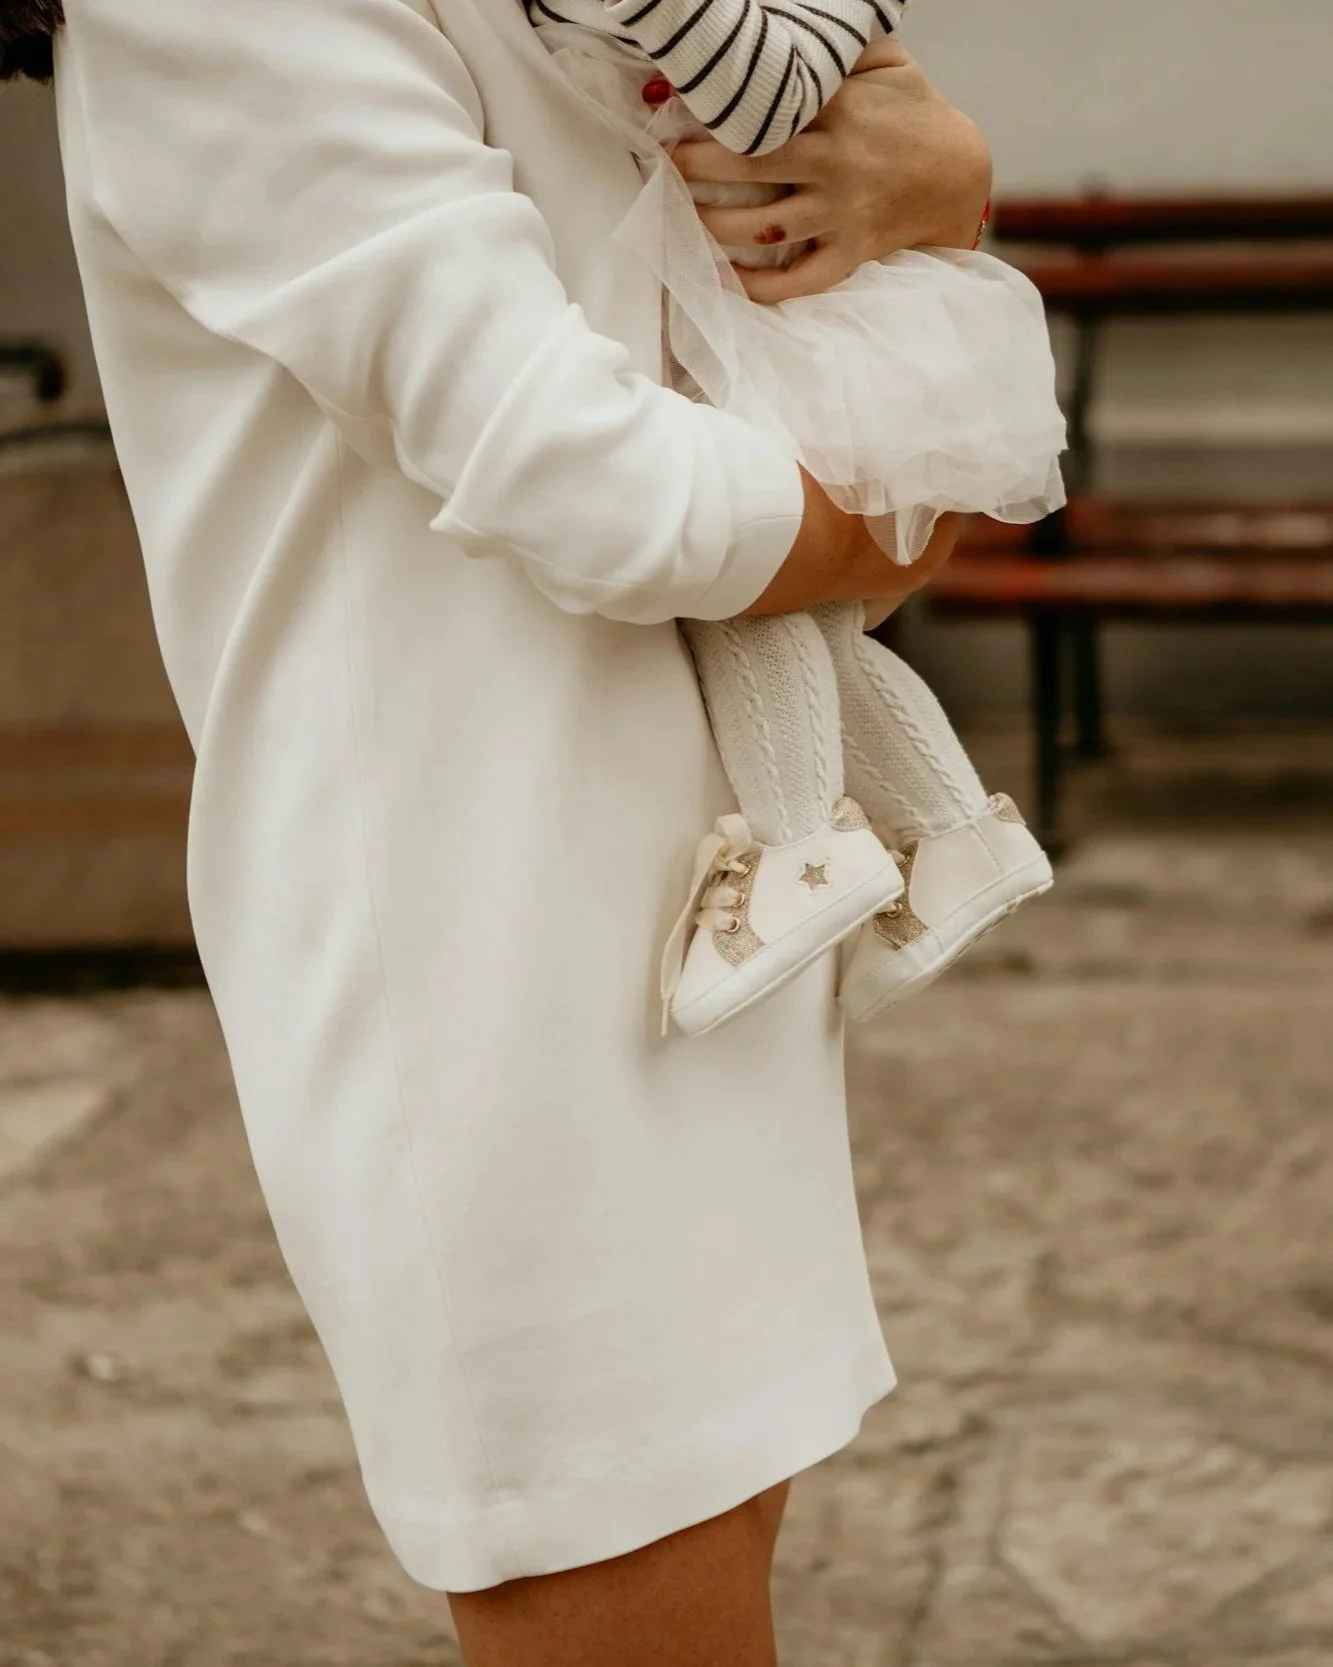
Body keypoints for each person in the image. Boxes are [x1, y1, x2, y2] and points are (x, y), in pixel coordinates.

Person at [6, 1, 996, 1661]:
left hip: (710, 904)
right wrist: (902, 479)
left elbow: (761, 305)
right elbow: (588, 474)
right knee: (619, 1580)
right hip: (470, 943)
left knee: (716, 1532)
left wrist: (933, 189)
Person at [529, 0, 1064, 1038]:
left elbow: (761, 93)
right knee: (787, 600)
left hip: (805, 318)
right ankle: (950, 835)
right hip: (744, 302)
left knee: (742, 583)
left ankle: (796, 847)